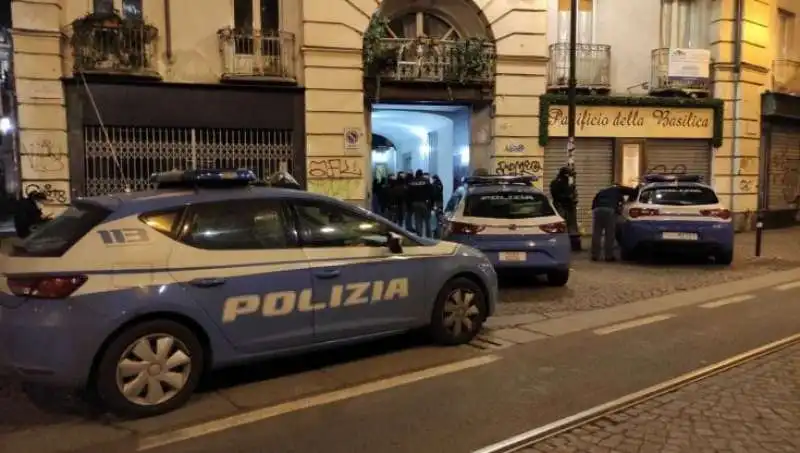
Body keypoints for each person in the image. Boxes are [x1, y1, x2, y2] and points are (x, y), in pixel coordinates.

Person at [590, 183, 637, 262]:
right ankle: (608, 256)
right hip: (609, 210)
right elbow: (626, 199)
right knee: (609, 234)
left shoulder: (602, 191)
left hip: (597, 210)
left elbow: (594, 203)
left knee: (596, 233)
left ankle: (595, 255)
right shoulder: (618, 191)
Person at [408, 169, 433, 237]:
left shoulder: (412, 182)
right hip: (424, 203)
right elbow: (431, 191)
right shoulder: (426, 181)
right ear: (422, 174)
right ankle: (429, 236)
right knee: (427, 220)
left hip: (415, 203)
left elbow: (409, 193)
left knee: (418, 220)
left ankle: (419, 236)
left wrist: (410, 203)